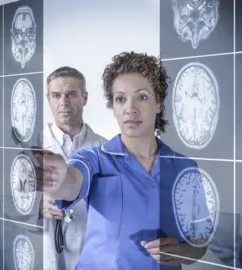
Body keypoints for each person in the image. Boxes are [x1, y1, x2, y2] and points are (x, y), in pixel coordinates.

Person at [39, 51, 213, 269]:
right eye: (121, 99)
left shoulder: (185, 168)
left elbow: (200, 241)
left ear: (158, 103)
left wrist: (184, 252)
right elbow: (72, 182)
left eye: (141, 97)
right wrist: (58, 178)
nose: (130, 109)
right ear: (114, 106)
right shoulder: (93, 158)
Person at [41, 66, 108, 270]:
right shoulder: (30, 149)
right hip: (44, 253)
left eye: (71, 94)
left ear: (84, 98)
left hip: (90, 253)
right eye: (56, 95)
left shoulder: (105, 150)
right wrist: (37, 206)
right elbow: (6, 205)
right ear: (48, 99)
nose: (64, 103)